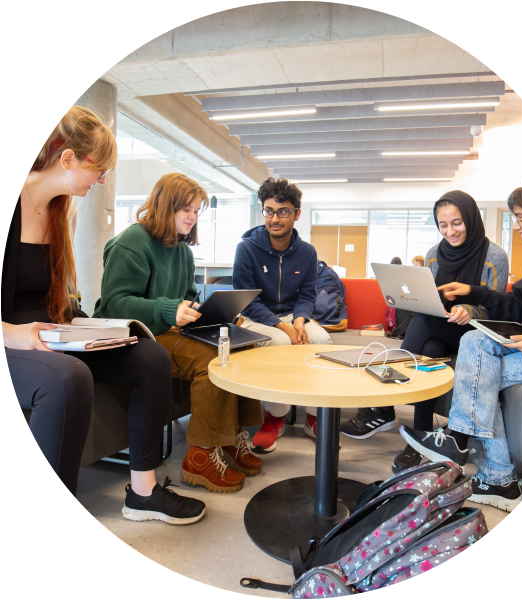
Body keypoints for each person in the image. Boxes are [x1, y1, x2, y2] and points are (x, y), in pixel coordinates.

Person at [2, 106, 205, 525]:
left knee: (150, 357)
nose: (103, 180)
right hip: (12, 337)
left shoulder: (62, 212)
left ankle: (144, 492)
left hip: (52, 330)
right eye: (100, 169)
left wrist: (91, 326)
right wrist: (12, 332)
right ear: (68, 160)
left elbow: (58, 296)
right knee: (66, 377)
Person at [400, 174, 522, 512]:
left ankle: (475, 455)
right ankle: (489, 470)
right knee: (476, 343)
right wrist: (472, 292)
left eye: (521, 217)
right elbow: (514, 303)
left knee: (477, 361)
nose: (517, 225)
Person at [94, 173, 264, 494]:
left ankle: (230, 438)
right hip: (138, 336)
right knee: (212, 357)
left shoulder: (183, 252)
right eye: (186, 208)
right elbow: (115, 304)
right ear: (164, 205)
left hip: (171, 331)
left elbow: (185, 297)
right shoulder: (133, 242)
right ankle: (200, 456)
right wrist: (169, 310)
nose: (192, 216)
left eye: (197, 210)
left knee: (239, 344)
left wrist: (205, 314)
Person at [340, 191, 508, 451]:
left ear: (472, 219)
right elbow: (425, 294)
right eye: (443, 225)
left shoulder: (494, 256)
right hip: (439, 328)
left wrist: (469, 310)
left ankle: (383, 407)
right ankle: (418, 441)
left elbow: (495, 310)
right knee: (429, 348)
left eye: (457, 223)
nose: (450, 231)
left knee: (424, 324)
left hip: (473, 336)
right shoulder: (433, 254)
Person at [233, 177, 332, 453]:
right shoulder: (246, 249)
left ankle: (313, 416)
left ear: (296, 214)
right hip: (257, 317)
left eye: (283, 211)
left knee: (321, 340)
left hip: (293, 315)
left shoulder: (307, 253)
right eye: (269, 211)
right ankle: (275, 417)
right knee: (279, 343)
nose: (275, 218)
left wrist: (299, 320)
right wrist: (283, 327)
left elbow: (308, 296)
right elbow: (246, 299)